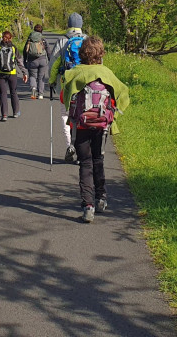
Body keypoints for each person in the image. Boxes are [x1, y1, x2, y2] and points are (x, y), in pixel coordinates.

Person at [62, 36, 129, 223]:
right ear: (101, 53)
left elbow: (64, 98)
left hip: (82, 125)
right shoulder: (107, 73)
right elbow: (123, 94)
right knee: (98, 159)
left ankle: (87, 206)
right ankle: (101, 198)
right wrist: (115, 113)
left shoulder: (75, 73)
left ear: (82, 53)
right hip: (102, 126)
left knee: (85, 163)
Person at [49, 12, 87, 162]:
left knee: (66, 117)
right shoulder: (87, 40)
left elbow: (53, 64)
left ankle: (70, 146)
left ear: (68, 24)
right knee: (82, 117)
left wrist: (51, 82)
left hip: (65, 88)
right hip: (85, 87)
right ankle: (82, 150)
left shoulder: (62, 41)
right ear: (81, 25)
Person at [0, 30, 28, 121]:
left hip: (0, 74)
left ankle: (4, 115)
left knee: (3, 93)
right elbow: (19, 61)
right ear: (10, 38)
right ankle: (15, 112)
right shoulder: (13, 48)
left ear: (2, 38)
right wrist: (24, 73)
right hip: (12, 73)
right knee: (13, 92)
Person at [23, 23, 50, 100]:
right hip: (42, 60)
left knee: (32, 76)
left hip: (32, 60)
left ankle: (33, 88)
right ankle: (41, 94)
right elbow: (48, 50)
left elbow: (25, 51)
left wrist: (25, 61)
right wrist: (49, 59)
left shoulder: (29, 39)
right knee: (41, 77)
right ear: (41, 31)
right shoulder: (43, 39)